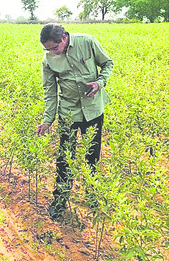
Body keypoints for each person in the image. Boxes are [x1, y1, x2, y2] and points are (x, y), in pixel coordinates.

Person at [37, 23, 113, 221]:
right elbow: (50, 91)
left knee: (92, 156)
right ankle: (60, 201)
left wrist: (100, 82)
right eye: (48, 49)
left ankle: (93, 196)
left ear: (63, 38)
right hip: (69, 112)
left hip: (93, 109)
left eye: (54, 48)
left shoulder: (86, 41)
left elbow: (107, 63)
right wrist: (48, 119)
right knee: (65, 158)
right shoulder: (48, 59)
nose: (52, 52)